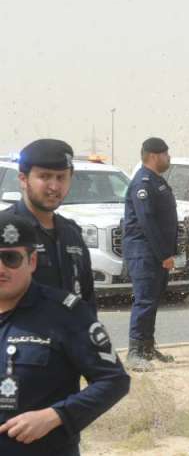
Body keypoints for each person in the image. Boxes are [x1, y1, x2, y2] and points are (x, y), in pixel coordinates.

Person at [0, 211, 130, 455]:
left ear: (32, 261)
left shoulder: (66, 313)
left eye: (11, 259)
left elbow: (114, 380)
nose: (1, 268)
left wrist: (56, 416)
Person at [9, 139, 95, 312]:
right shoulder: (6, 230)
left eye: (61, 177)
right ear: (23, 179)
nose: (54, 186)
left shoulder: (71, 232)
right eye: (45, 176)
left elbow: (87, 297)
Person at [123, 137, 178, 372]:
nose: (169, 157)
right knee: (144, 300)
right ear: (154, 156)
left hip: (154, 252)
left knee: (153, 300)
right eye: (166, 154)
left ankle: (147, 347)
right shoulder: (142, 183)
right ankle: (134, 352)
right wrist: (164, 254)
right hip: (144, 252)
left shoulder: (156, 180)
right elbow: (147, 221)